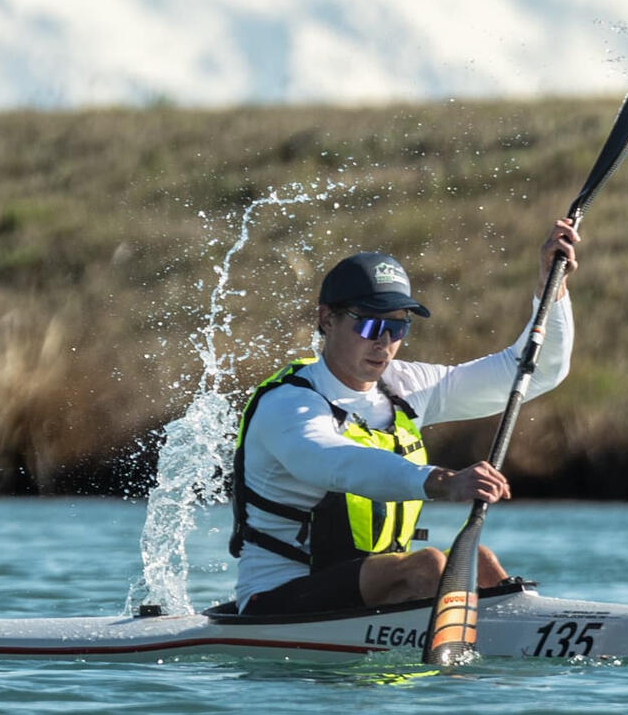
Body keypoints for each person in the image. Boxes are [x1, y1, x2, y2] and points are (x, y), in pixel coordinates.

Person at [227, 222, 579, 615]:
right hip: (278, 600)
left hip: (368, 592)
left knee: (478, 561)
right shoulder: (289, 403)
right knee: (427, 565)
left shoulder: (406, 386)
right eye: (370, 325)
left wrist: (553, 290)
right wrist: (442, 481)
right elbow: (336, 462)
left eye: (397, 327)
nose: (385, 342)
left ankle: (512, 656)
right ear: (327, 320)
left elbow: (533, 372)